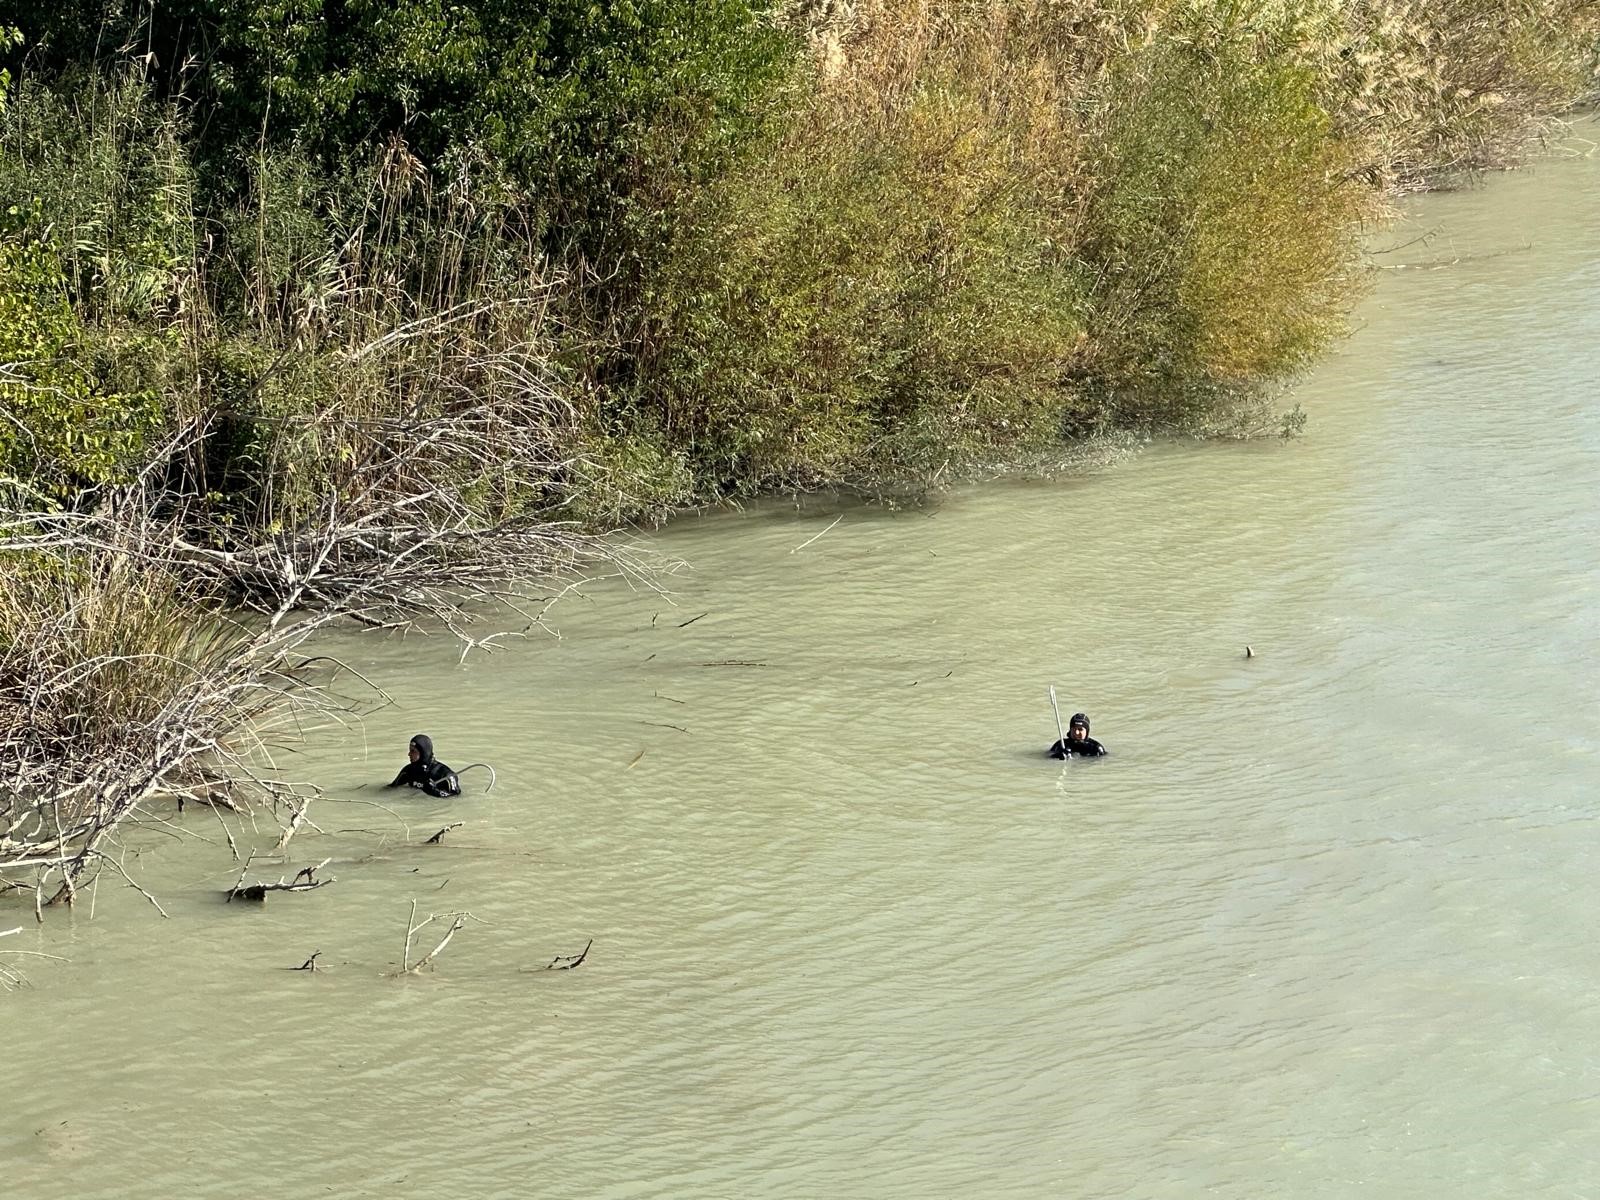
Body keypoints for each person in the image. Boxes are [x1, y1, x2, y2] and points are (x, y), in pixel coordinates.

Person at [386, 733, 462, 797]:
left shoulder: (446, 775)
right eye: (409, 751)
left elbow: (455, 798)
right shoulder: (408, 771)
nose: (409, 754)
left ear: (423, 753)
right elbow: (390, 789)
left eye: (413, 751)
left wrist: (435, 792)